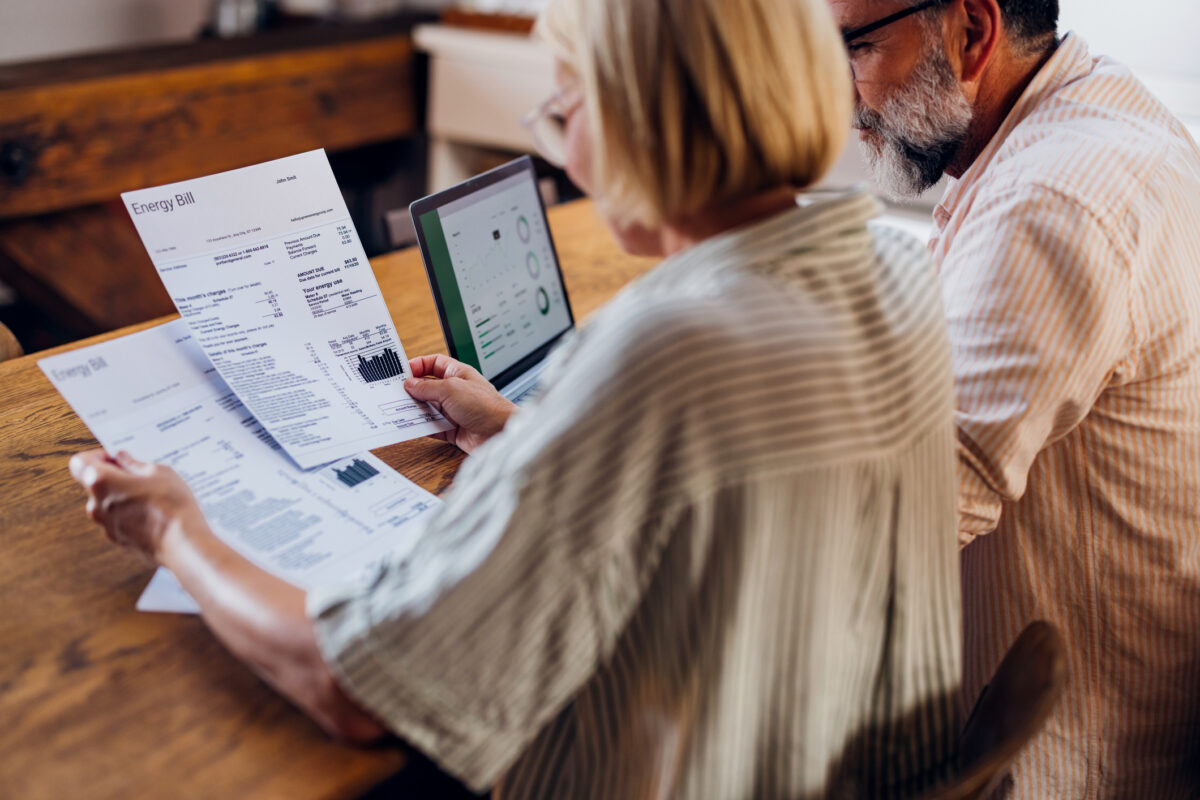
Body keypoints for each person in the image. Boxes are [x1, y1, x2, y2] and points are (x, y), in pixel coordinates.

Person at [70, 0, 964, 796]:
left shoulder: (662, 350)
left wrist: (172, 531)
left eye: (565, 107)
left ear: (634, 117)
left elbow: (354, 689)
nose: (562, 147)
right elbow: (720, 499)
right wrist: (524, 432)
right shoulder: (892, 268)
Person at [830, 0, 1200, 795]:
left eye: (855, 47)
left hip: (1055, 763)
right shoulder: (1087, 108)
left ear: (972, 32)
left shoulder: (1049, 204)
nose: (837, 90)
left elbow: (881, 528)